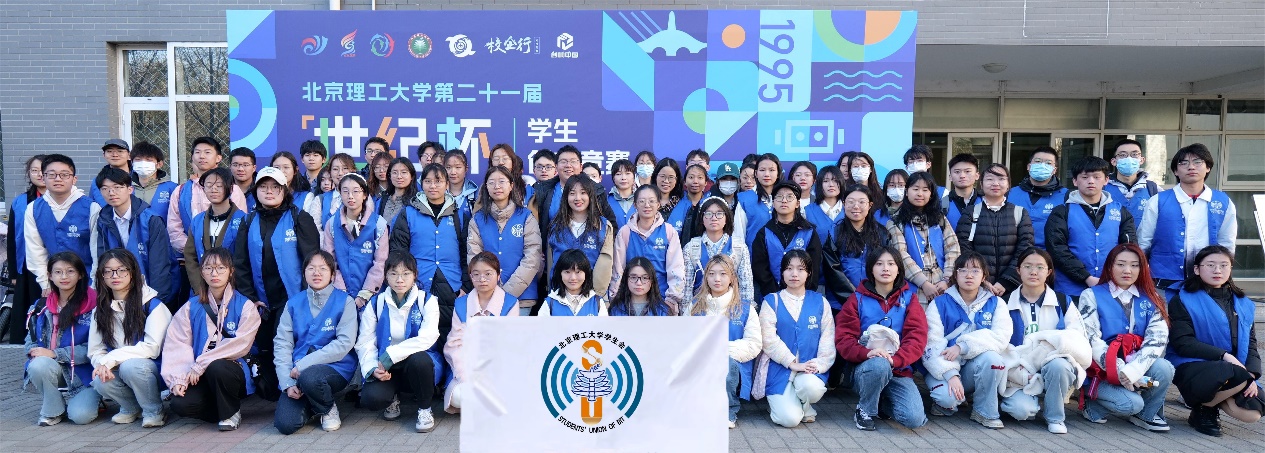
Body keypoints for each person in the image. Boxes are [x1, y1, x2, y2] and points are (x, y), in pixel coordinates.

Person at [234, 166, 321, 401]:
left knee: (287, 342)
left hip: (292, 298)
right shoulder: (248, 220)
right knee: (264, 347)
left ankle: (297, 391)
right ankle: (275, 393)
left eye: (275, 187)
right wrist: (251, 298)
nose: (269, 191)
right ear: (255, 191)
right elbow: (240, 263)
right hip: (260, 299)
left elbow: (312, 261)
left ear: (285, 190)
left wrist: (305, 298)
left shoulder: (299, 218)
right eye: (263, 187)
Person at [1076, 243, 1174, 431]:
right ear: (1110, 266)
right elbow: (1092, 340)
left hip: (1134, 364)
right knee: (1131, 404)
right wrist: (1121, 370)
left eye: (1134, 265)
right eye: (1120, 264)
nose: (1127, 270)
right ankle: (1092, 404)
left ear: (1142, 268)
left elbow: (1157, 339)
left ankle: (1146, 415)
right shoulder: (1091, 295)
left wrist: (1133, 371)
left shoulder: (1152, 297)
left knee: (1164, 367)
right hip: (1100, 370)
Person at [1167, 245, 1262, 436]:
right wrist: (1225, 356)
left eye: (1223, 265)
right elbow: (1183, 343)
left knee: (1253, 413)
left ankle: (1206, 407)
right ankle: (1204, 411)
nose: (1217, 270)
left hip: (1232, 369)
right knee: (1231, 372)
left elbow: (1251, 343)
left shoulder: (1244, 304)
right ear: (1197, 269)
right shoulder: (1182, 300)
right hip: (1192, 365)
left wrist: (1251, 375)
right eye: (1210, 265)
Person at [162, 247, 260, 431]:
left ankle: (231, 412)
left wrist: (202, 363)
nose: (214, 273)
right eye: (208, 268)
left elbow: (241, 344)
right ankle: (221, 410)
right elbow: (178, 344)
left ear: (231, 271)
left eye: (221, 268)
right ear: (202, 272)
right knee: (180, 404)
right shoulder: (190, 307)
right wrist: (178, 378)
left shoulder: (245, 306)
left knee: (218, 366)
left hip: (231, 370)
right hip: (198, 373)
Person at [835, 246, 928, 431]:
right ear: (871, 269)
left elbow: (917, 338)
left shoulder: (909, 299)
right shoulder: (857, 299)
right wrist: (867, 353)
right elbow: (844, 339)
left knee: (914, 419)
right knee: (879, 365)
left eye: (891, 264)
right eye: (879, 264)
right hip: (865, 369)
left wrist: (896, 360)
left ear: (898, 269)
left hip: (898, 369)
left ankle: (880, 403)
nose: (885, 268)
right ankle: (865, 410)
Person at [998, 248, 1089, 434]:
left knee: (1059, 366)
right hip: (1019, 371)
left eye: (1040, 267)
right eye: (1028, 266)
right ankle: (1023, 400)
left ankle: (1055, 417)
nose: (1033, 272)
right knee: (1021, 411)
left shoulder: (1063, 302)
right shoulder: (1004, 303)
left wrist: (1048, 348)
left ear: (1049, 272)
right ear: (1018, 270)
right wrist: (1019, 372)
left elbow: (1077, 337)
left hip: (1053, 363)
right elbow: (1001, 345)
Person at [922, 252, 1011, 428]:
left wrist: (963, 346)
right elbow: (931, 343)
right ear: (955, 275)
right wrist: (951, 374)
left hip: (975, 367)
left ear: (984, 276)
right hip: (944, 366)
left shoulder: (996, 303)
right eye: (963, 270)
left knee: (993, 359)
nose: (969, 275)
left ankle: (984, 412)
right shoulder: (939, 303)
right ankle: (945, 404)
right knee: (947, 399)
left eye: (975, 270)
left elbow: (1000, 337)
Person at [357, 251, 444, 432]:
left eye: (406, 274)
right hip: (386, 367)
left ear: (415, 275)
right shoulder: (376, 303)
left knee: (420, 360)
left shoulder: (427, 301)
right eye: (393, 273)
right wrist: (372, 368)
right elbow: (365, 342)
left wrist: (391, 354)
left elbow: (427, 337)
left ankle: (425, 409)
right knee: (371, 399)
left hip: (416, 364)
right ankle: (392, 397)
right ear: (386, 276)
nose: (399, 280)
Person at [273, 251, 358, 434]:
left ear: (332, 274)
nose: (316, 273)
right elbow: (282, 344)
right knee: (286, 424)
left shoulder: (345, 302)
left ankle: (327, 408)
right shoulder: (293, 303)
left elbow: (344, 343)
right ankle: (314, 403)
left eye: (323, 269)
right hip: (297, 372)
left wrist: (303, 364)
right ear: (304, 273)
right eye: (311, 268)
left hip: (336, 368)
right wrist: (287, 382)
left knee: (310, 377)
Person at [1139, 143, 1237, 300]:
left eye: (1197, 162)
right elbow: (1144, 242)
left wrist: (1223, 275)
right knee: (1166, 315)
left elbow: (1227, 244)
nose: (1191, 167)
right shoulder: (1158, 201)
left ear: (1208, 167)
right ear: (1176, 171)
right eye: (1183, 163)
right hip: (1164, 281)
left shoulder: (1222, 202)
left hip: (1207, 282)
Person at [88, 248, 172, 427]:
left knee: (131, 366)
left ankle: (154, 410)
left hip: (154, 370)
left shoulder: (152, 305)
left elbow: (152, 348)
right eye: (108, 271)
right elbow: (95, 350)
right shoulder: (100, 310)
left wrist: (111, 358)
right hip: (122, 368)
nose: (115, 276)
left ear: (132, 272)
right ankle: (131, 407)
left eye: (121, 270)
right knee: (100, 380)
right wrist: (102, 365)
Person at [389, 164, 471, 347]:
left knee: (451, 340)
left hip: (452, 286)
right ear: (421, 184)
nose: (433, 186)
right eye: (428, 181)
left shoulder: (459, 215)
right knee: (419, 339)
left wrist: (465, 286)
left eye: (438, 181)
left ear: (447, 184)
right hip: (418, 286)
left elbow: (467, 254)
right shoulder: (408, 213)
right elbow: (398, 253)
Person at [757, 249, 834, 428]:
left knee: (812, 388)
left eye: (801, 269)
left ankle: (803, 404)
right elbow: (768, 339)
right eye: (789, 268)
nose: (794, 274)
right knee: (789, 420)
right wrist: (791, 362)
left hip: (808, 370)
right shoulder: (772, 301)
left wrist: (819, 364)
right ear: (782, 272)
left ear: (809, 273)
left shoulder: (820, 302)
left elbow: (827, 338)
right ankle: (792, 406)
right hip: (779, 370)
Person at [23, 252, 100, 426]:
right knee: (38, 364)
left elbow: (96, 348)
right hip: (51, 367)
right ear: (50, 276)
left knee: (81, 417)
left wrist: (55, 353)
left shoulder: (95, 305)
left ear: (81, 274)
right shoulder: (40, 306)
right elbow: (30, 340)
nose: (64, 277)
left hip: (84, 375)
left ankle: (95, 397)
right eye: (58, 272)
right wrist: (36, 352)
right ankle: (53, 410)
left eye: (70, 271)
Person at [1047, 157, 1136, 302]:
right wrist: (1085, 277)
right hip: (1070, 290)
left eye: (1096, 177)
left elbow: (1129, 248)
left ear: (1106, 180)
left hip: (1111, 287)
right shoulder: (1061, 212)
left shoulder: (1120, 212)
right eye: (1085, 177)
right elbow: (1057, 249)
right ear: (1075, 181)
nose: (1091, 181)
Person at [169, 137, 250, 296]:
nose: (214, 189)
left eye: (207, 152)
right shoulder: (182, 193)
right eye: (197, 152)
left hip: (235, 287)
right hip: (200, 285)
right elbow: (179, 237)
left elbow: (244, 255)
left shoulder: (241, 215)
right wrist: (200, 287)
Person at [689, 254, 760, 429]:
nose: (717, 279)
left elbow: (754, 343)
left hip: (733, 366)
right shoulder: (694, 306)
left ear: (732, 278)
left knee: (725, 365)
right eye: (712, 274)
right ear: (706, 277)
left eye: (723, 274)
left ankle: (728, 410)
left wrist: (720, 351)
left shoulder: (746, 308)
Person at [444, 252, 518, 415]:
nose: (482, 279)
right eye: (476, 274)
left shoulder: (510, 303)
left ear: (498, 275)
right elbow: (454, 345)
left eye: (488, 274)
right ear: (470, 277)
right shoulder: (461, 304)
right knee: (458, 396)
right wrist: (465, 376)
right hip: (468, 367)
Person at [89, 168, 175, 306]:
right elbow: (103, 258)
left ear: (130, 189)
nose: (111, 192)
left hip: (148, 293)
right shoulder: (103, 219)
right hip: (118, 292)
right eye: (105, 189)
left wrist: (156, 301)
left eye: (117, 187)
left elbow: (159, 265)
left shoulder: (151, 219)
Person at [468, 166, 543, 315]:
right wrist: (491, 290)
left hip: (522, 298)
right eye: (491, 182)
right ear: (486, 187)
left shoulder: (526, 217)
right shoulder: (477, 219)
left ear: (511, 185)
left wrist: (505, 294)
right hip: (486, 297)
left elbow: (532, 258)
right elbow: (473, 257)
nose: (497, 186)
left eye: (502, 181)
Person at [25, 154, 101, 296]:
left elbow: (97, 249)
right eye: (51, 175)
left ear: (74, 179)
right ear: (43, 178)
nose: (58, 179)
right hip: (54, 282)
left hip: (87, 281)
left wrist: (94, 285)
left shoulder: (92, 208)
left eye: (64, 175)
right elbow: (34, 250)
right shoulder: (33, 208)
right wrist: (45, 283)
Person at [955, 164, 1033, 297]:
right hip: (977, 286)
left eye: (1001, 179)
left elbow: (1025, 248)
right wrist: (982, 280)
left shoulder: (1019, 213)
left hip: (1012, 287)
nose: (995, 183)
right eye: (990, 179)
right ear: (981, 184)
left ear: (1008, 184)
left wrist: (1006, 281)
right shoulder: (970, 212)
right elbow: (964, 247)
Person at [888, 172, 960, 304]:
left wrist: (947, 280)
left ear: (931, 194)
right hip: (913, 287)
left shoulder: (940, 219)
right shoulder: (896, 222)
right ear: (907, 192)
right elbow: (900, 255)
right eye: (915, 189)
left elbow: (953, 248)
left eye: (925, 190)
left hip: (943, 286)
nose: (920, 194)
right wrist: (924, 283)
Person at [610, 185, 686, 311]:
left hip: (662, 300)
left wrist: (672, 299)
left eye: (651, 201)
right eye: (642, 201)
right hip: (630, 301)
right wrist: (615, 298)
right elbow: (618, 269)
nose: (647, 205)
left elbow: (676, 268)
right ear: (635, 205)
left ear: (658, 204)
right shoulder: (625, 232)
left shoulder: (668, 231)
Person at [321, 173, 388, 311]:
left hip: (372, 297)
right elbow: (330, 262)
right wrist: (342, 293)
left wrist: (364, 295)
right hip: (340, 296)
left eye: (356, 191)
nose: (350, 196)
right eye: (345, 191)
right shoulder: (332, 224)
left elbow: (380, 263)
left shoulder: (378, 224)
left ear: (365, 195)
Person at [751, 182, 823, 303]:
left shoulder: (809, 232)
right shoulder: (764, 233)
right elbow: (760, 268)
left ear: (797, 203)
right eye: (779, 197)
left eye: (789, 197)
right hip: (772, 297)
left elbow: (814, 268)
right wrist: (776, 295)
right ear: (773, 203)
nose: (784, 200)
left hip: (803, 298)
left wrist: (802, 294)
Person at [544, 176, 615, 297]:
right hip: (560, 295)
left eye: (583, 193)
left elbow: (605, 264)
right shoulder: (555, 227)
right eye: (572, 193)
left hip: (592, 296)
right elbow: (551, 263)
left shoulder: (603, 226)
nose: (577, 198)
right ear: (566, 197)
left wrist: (594, 297)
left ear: (590, 196)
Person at [532, 145, 616, 244]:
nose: (568, 165)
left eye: (573, 161)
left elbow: (611, 224)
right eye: (563, 161)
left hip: (590, 250)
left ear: (581, 167)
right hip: (554, 250)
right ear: (556, 167)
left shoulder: (596, 190)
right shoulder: (543, 191)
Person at [681, 198, 754, 311]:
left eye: (719, 214)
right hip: (700, 309)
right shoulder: (691, 248)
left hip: (731, 309)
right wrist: (687, 313)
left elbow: (746, 286)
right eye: (708, 214)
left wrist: (745, 312)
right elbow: (687, 288)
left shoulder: (738, 247)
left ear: (726, 218)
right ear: (702, 219)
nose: (714, 218)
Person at [824, 186, 890, 309]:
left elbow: (887, 267)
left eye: (861, 202)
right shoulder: (834, 232)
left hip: (875, 301)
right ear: (844, 204)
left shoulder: (881, 233)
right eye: (851, 202)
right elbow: (832, 270)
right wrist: (853, 299)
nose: (856, 206)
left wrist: (874, 296)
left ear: (870, 205)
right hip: (841, 303)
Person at [183, 168, 247, 292]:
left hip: (235, 290)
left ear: (230, 189)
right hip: (202, 290)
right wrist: (200, 289)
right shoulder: (197, 221)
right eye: (209, 185)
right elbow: (190, 256)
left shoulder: (243, 220)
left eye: (219, 185)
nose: (213, 189)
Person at [8, 154, 45, 344]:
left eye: (43, 170)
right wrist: (14, 272)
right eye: (34, 170)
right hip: (26, 265)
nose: (39, 174)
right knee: (26, 308)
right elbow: (12, 238)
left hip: (53, 265)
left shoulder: (61, 199)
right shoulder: (20, 202)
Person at [1007, 146, 1068, 249]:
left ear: (1054, 170)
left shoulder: (1066, 196)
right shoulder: (1011, 193)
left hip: (1051, 255)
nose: (1042, 166)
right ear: (1029, 166)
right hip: (1016, 253)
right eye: (1038, 161)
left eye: (1048, 163)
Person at [1104, 139, 1160, 229]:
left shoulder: (1153, 188)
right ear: (1113, 161)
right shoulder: (1102, 187)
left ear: (1141, 160)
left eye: (1134, 154)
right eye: (1123, 155)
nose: (1129, 159)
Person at [539, 249, 608, 316]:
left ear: (586, 273)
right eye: (567, 272)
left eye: (578, 272)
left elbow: (603, 324)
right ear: (560, 274)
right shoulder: (550, 303)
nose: (573, 278)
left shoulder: (597, 302)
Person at [737, 153, 781, 248]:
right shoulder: (743, 199)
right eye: (762, 170)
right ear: (756, 173)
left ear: (778, 173)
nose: (766, 174)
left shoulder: (785, 198)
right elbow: (739, 237)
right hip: (752, 254)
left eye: (771, 170)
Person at [608, 257, 673, 316]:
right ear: (626, 279)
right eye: (633, 277)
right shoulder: (615, 309)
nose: (639, 283)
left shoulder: (663, 311)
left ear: (652, 280)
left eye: (645, 278)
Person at [130, 142, 178, 219]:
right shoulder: (125, 187)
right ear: (132, 163)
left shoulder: (173, 188)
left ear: (159, 164)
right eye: (138, 159)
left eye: (148, 160)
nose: (143, 163)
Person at [270, 151, 321, 221]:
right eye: (276, 167)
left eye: (286, 167)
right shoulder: (264, 194)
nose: (281, 171)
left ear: (295, 170)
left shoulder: (306, 197)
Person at [802, 166, 845, 247]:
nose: (831, 185)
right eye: (826, 181)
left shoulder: (849, 209)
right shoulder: (807, 211)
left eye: (835, 180)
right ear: (819, 185)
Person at [666, 164, 708, 243]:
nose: (695, 181)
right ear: (684, 181)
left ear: (706, 182)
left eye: (700, 178)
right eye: (691, 177)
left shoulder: (710, 204)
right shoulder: (674, 203)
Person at [316, 153, 358, 230]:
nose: (340, 173)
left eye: (345, 168)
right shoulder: (320, 199)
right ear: (330, 172)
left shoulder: (363, 197)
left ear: (353, 170)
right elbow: (315, 229)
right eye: (335, 169)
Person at [942, 153, 983, 229]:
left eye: (967, 171)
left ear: (977, 175)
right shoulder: (942, 204)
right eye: (957, 172)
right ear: (950, 177)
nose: (962, 176)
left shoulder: (986, 201)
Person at [88, 138, 131, 207]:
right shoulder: (97, 181)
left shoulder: (138, 178)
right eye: (110, 151)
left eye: (120, 151)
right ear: (104, 155)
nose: (115, 155)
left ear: (129, 155)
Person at [379, 157, 418, 226]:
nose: (399, 176)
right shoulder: (383, 199)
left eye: (404, 172)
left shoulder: (416, 202)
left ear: (411, 176)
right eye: (395, 173)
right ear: (390, 176)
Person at [607, 159, 638, 229]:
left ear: (634, 177)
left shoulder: (641, 199)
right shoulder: (606, 201)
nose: (623, 178)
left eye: (627, 173)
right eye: (618, 174)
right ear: (613, 178)